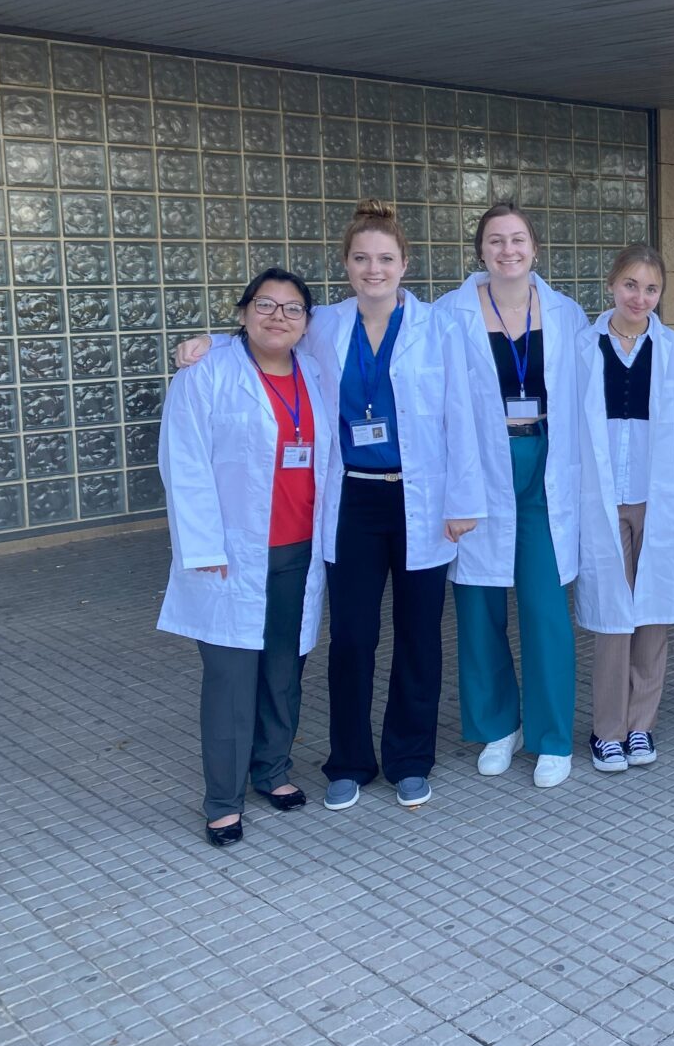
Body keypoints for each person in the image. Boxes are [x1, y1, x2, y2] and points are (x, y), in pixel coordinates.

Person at [176, 200, 486, 811]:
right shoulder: (326, 325)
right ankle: (348, 760)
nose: (375, 269)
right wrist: (205, 342)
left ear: (406, 263)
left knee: (420, 638)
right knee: (351, 638)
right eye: (362, 258)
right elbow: (268, 334)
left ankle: (409, 758)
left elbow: (463, 417)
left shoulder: (439, 329)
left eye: (386, 258)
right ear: (346, 264)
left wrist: (463, 501)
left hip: (420, 500)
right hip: (351, 503)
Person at [157, 268, 333, 847]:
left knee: (284, 669)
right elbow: (184, 465)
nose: (278, 317)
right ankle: (222, 801)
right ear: (241, 313)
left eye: (292, 309)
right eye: (266, 305)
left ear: (307, 323)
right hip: (231, 553)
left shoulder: (315, 370)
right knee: (232, 678)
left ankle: (273, 771)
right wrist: (203, 547)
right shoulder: (205, 371)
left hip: (298, 549)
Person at [434, 202, 588, 789]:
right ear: (480, 251)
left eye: (518, 239)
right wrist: (216, 345)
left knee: (546, 607)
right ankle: (500, 725)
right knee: (478, 606)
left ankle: (552, 735)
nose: (507, 251)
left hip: (545, 463)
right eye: (495, 241)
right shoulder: (448, 314)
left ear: (535, 248)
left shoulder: (567, 314)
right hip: (477, 467)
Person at [573, 244, 674, 773]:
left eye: (651, 288)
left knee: (653, 614)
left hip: (655, 495)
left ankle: (641, 727)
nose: (640, 297)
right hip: (602, 499)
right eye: (630, 285)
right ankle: (607, 730)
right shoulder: (582, 347)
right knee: (612, 616)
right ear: (611, 285)